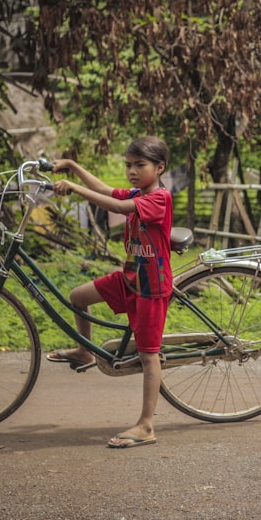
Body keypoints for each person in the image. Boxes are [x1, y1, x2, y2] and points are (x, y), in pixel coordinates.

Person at [44, 136, 173, 449]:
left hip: (151, 288)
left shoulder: (159, 198)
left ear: (159, 168)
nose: (132, 171)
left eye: (139, 165)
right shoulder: (138, 192)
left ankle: (146, 425)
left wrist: (73, 188)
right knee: (78, 297)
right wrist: (72, 167)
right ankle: (85, 351)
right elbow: (104, 190)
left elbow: (116, 206)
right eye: (128, 165)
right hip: (129, 278)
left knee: (148, 355)